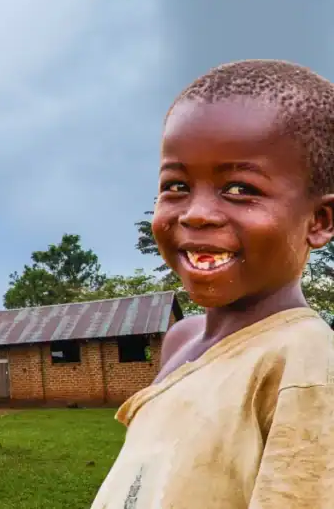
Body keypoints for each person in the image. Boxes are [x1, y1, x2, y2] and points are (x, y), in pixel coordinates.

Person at [90, 59, 334, 508]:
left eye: (239, 189)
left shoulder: (305, 359)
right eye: (176, 186)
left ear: (319, 221)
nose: (195, 212)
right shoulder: (181, 340)